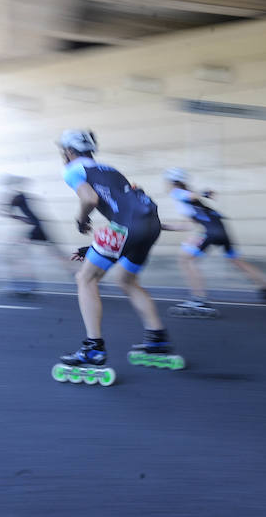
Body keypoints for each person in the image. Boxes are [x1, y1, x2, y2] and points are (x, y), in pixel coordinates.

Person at [56, 130, 179, 371]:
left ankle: (93, 348)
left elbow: (89, 199)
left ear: (69, 151)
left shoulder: (72, 169)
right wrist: (93, 248)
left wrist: (81, 221)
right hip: (150, 226)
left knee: (85, 278)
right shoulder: (109, 169)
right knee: (127, 280)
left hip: (125, 228)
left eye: (63, 151)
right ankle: (157, 339)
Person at [162, 167, 266, 315]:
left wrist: (203, 193)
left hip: (210, 231)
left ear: (173, 182)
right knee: (236, 260)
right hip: (220, 229)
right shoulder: (188, 201)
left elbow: (191, 195)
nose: (165, 184)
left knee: (186, 260)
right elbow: (188, 224)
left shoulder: (177, 193)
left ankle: (199, 300)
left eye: (167, 181)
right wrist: (163, 227)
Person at [0, 175, 73, 293]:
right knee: (55, 252)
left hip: (36, 228)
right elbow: (7, 210)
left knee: (15, 252)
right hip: (40, 226)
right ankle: (77, 273)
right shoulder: (21, 196)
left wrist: (19, 217)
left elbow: (4, 210)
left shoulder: (17, 197)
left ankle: (27, 282)